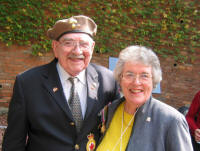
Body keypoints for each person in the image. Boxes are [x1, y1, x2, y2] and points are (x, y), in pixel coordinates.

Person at [2, 15, 120, 151]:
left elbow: (117, 130)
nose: (77, 51)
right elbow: (13, 141)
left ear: (92, 47)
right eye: (68, 43)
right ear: (55, 47)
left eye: (84, 44)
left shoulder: (108, 80)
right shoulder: (28, 83)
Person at [96, 45, 193, 151]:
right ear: (120, 78)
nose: (136, 82)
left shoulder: (172, 121)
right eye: (129, 74)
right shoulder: (111, 110)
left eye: (144, 75)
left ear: (153, 80)